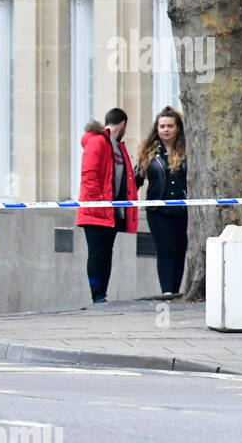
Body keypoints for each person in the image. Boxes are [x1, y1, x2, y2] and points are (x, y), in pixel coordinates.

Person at [76, 107, 139, 304]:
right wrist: (100, 201)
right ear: (123, 124)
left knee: (105, 254)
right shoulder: (98, 143)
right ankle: (97, 295)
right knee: (97, 254)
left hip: (110, 212)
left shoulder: (117, 146)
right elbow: (89, 176)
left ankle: (102, 294)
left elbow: (121, 179)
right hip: (96, 211)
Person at [134, 105, 188, 295]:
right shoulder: (148, 153)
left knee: (179, 250)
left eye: (170, 126)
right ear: (156, 129)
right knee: (165, 249)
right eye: (162, 126)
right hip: (157, 211)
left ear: (178, 128)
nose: (165, 130)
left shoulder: (187, 151)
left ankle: (175, 291)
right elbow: (136, 180)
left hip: (183, 210)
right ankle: (166, 292)